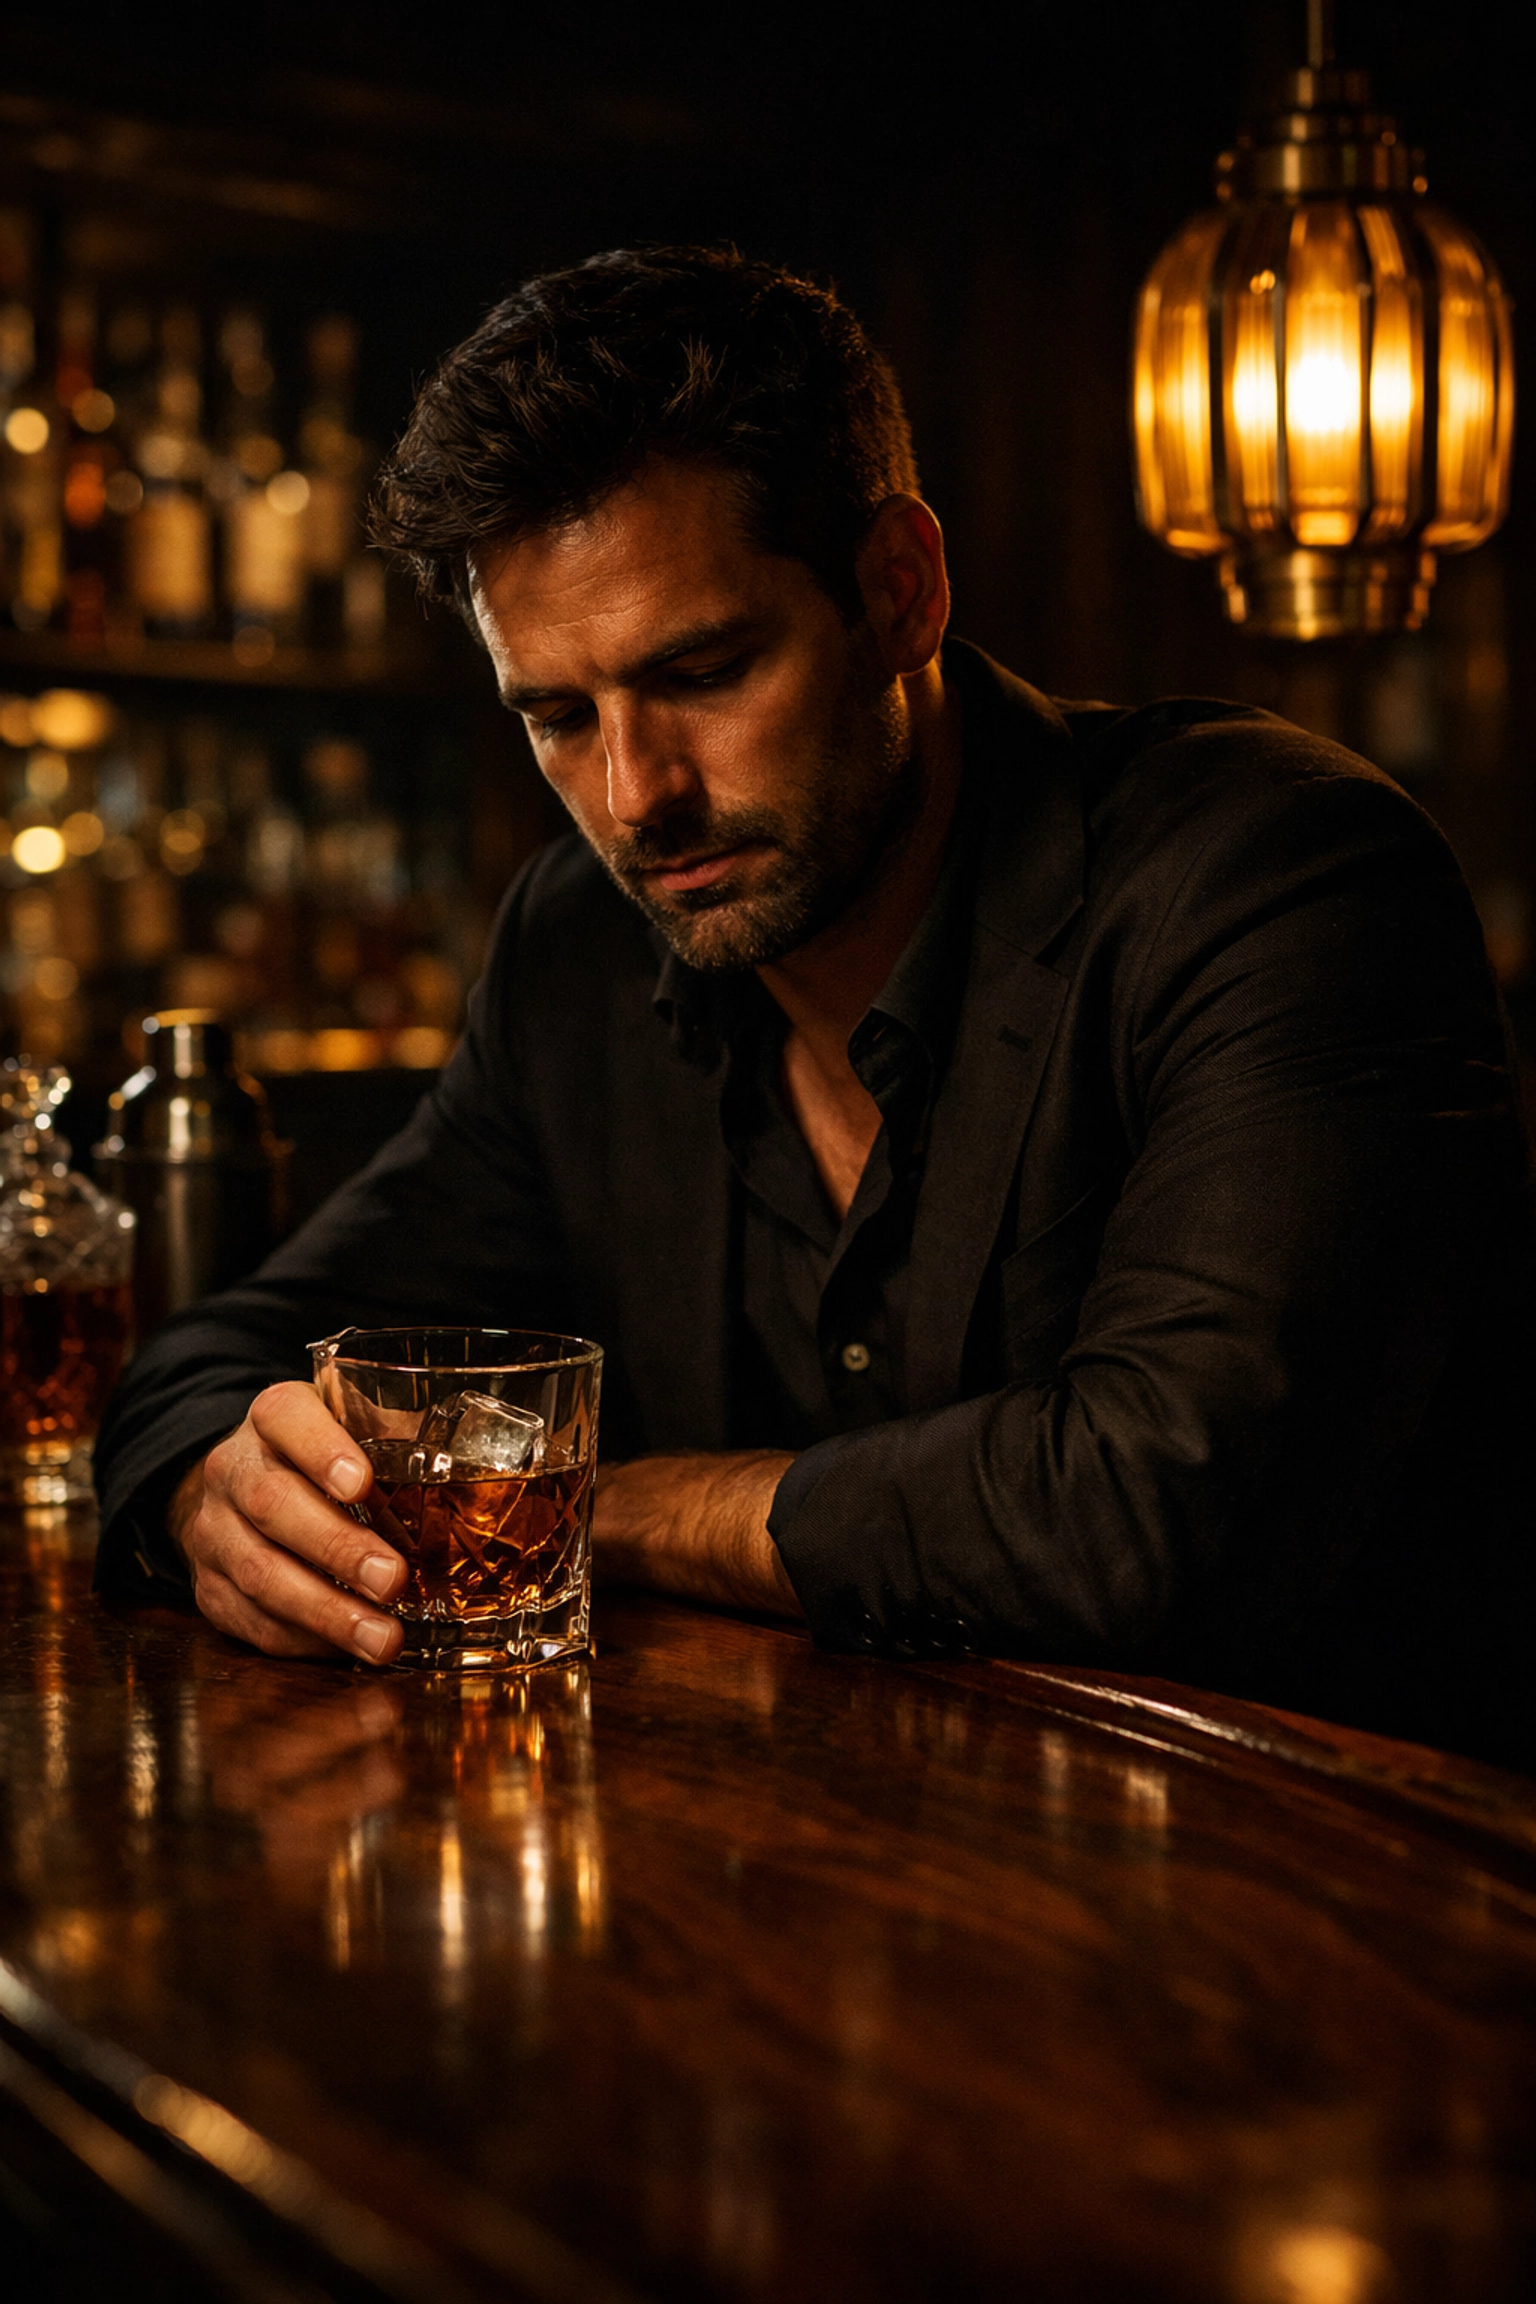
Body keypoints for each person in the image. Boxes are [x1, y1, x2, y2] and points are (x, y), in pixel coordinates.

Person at [95, 247, 1535, 1765]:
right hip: (803, 1883)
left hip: (1350, 1899)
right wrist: (213, 1490)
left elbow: (1158, 1511)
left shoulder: (1280, 876)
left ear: (897, 591)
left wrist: (603, 1502)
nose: (633, 797)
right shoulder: (575, 952)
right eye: (557, 717)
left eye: (704, 672)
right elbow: (223, 1357)